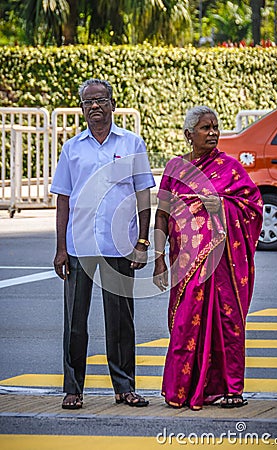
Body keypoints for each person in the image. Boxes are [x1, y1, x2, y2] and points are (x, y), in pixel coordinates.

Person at [50, 78, 155, 409]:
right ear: (82, 108)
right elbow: (63, 200)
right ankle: (73, 388)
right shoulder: (72, 148)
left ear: (112, 103)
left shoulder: (132, 142)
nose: (95, 106)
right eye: (88, 102)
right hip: (79, 245)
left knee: (121, 321)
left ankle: (124, 387)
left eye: (100, 100)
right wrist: (60, 249)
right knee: (75, 322)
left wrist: (142, 241)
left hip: (119, 245)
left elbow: (143, 194)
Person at [153, 106, 263, 411]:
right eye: (205, 128)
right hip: (186, 264)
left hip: (224, 264)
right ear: (189, 135)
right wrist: (159, 258)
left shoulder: (229, 168)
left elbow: (253, 208)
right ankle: (181, 390)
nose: (213, 132)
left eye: (215, 127)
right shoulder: (175, 169)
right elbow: (162, 216)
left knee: (228, 321)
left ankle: (231, 388)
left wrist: (222, 207)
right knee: (186, 323)